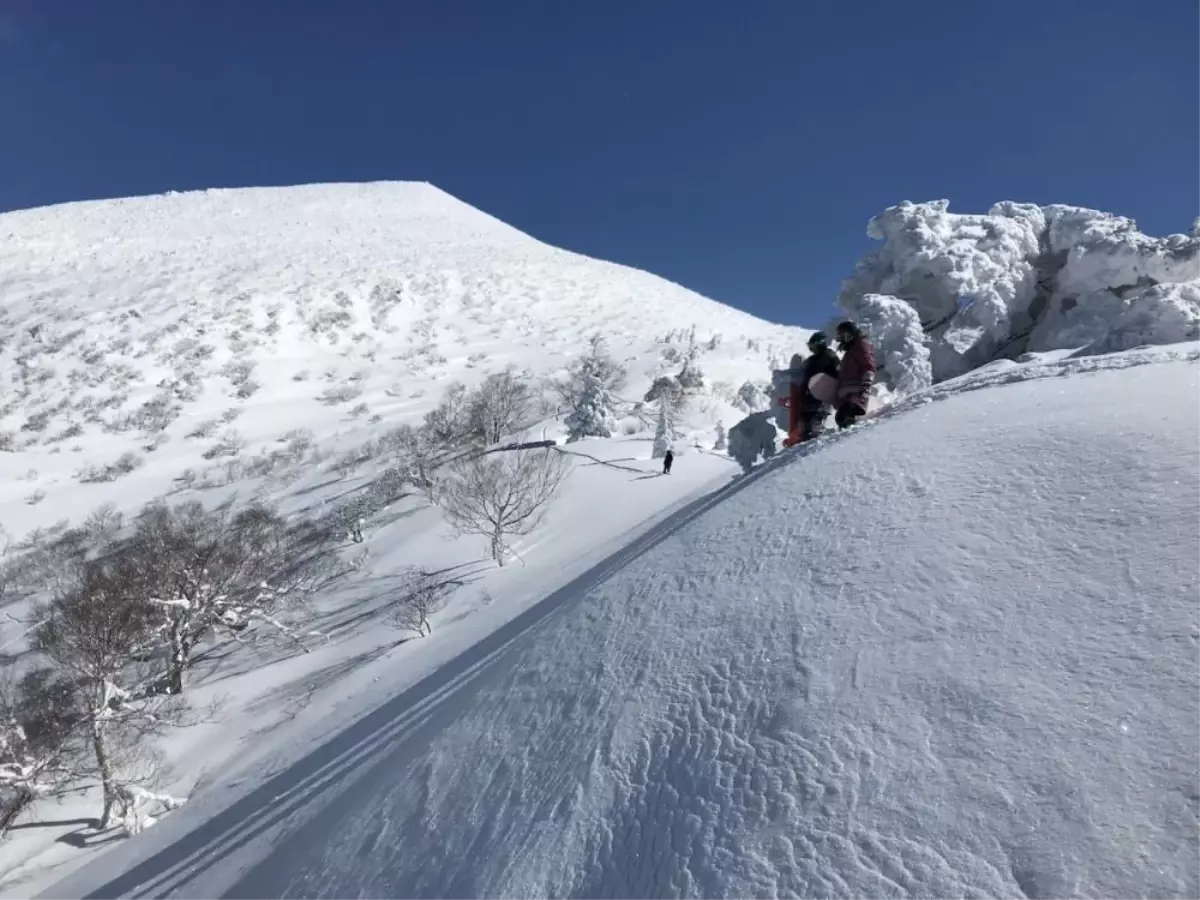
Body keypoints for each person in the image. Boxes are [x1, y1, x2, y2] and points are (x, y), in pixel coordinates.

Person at [796, 331, 841, 442]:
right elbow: (806, 379)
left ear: (819, 343)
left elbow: (839, 374)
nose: (811, 348)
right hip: (808, 398)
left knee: (816, 426)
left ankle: (817, 452)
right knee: (803, 428)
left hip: (823, 398)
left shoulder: (830, 357)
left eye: (812, 345)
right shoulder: (810, 361)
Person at [834, 321, 877, 429]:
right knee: (842, 418)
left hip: (857, 395)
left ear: (849, 334)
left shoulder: (861, 347)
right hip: (848, 396)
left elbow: (868, 366)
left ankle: (854, 439)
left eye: (842, 335)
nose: (840, 339)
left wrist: (865, 388)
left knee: (843, 418)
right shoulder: (850, 352)